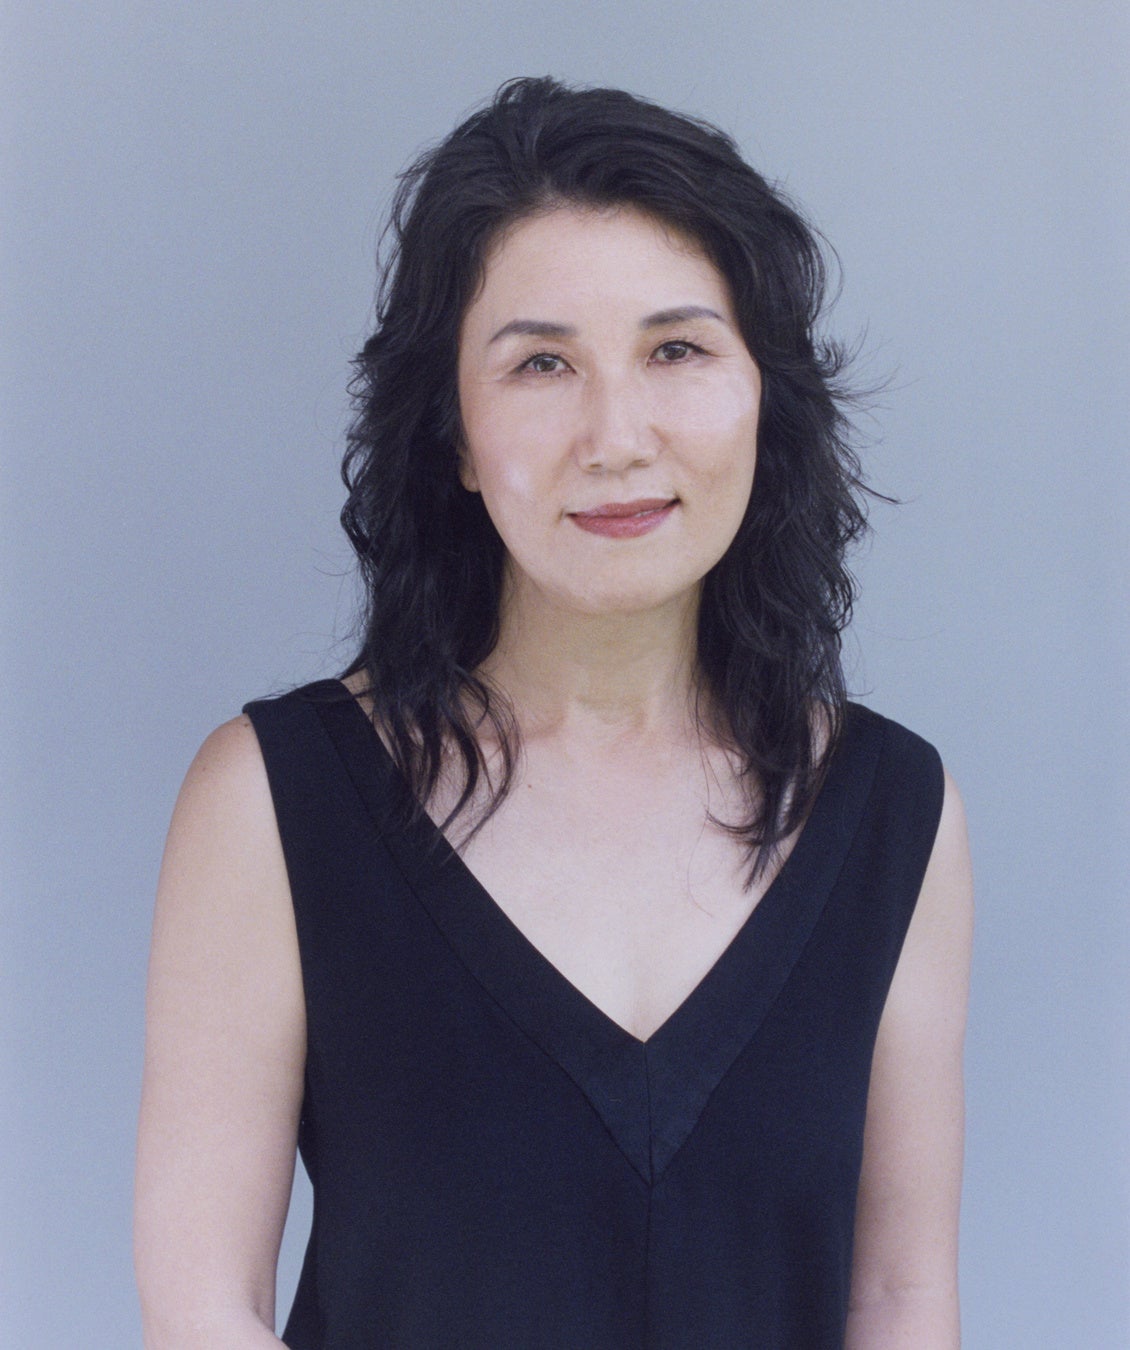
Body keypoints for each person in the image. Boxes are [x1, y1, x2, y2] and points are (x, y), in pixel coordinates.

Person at [134, 77, 973, 1349]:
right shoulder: (268, 799)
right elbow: (203, 1309)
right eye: (540, 363)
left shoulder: (893, 811)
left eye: (676, 350)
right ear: (454, 437)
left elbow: (898, 1297)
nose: (615, 436)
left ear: (766, 396)